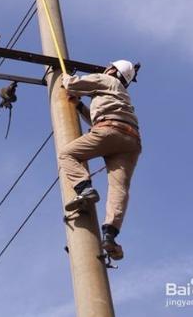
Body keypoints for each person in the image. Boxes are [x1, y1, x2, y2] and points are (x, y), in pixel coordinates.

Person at [59, 60, 141, 260]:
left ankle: (84, 188)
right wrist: (79, 106)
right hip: (131, 141)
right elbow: (100, 117)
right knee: (119, 188)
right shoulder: (121, 94)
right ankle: (110, 235)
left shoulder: (106, 79)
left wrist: (64, 78)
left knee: (67, 154)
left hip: (109, 131)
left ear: (112, 70)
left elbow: (72, 84)